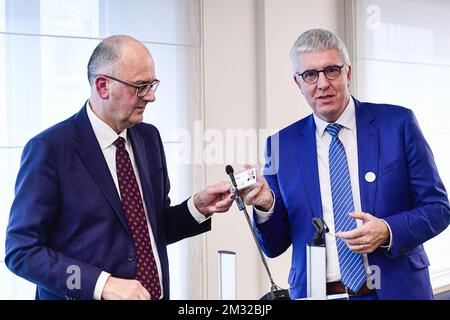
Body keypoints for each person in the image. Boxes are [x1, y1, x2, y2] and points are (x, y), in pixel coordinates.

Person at [5, 35, 234, 300]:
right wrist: (101, 285)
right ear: (103, 86)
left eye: (153, 85)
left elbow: (148, 229)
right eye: (140, 86)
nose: (151, 97)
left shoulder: (149, 138)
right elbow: (22, 252)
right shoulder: (49, 149)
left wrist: (197, 208)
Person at [241, 29, 450, 300]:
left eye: (331, 70)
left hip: (397, 291)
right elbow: (274, 245)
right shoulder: (281, 144)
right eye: (310, 75)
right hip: (318, 295)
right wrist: (265, 206)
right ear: (298, 83)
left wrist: (388, 230)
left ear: (347, 73)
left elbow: (438, 209)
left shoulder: (397, 124)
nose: (322, 83)